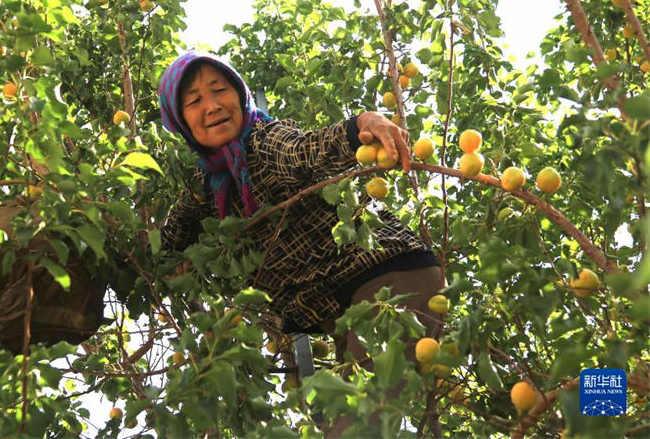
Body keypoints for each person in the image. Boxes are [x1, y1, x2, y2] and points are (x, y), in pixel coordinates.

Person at [157, 51, 442, 415]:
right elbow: (173, 237)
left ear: (239, 95)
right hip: (345, 307)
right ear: (179, 120)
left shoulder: (262, 140)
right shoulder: (208, 184)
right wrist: (171, 261)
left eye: (219, 90)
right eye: (194, 100)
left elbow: (304, 150)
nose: (212, 105)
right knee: (351, 416)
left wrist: (362, 125)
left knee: (358, 420)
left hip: (387, 278)